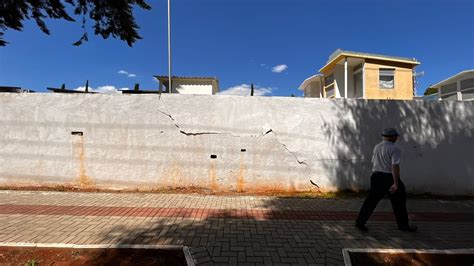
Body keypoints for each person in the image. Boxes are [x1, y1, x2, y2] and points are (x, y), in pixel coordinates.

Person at [355, 128, 417, 232]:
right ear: (392, 137)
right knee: (399, 202)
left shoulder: (377, 147)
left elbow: (374, 162)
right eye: (396, 136)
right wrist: (396, 183)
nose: (397, 138)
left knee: (371, 201)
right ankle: (403, 226)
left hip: (376, 176)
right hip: (388, 177)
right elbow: (395, 166)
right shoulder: (395, 149)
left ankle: (360, 222)